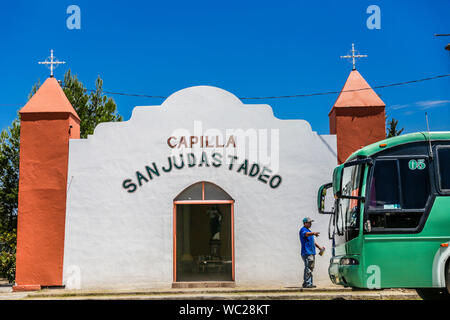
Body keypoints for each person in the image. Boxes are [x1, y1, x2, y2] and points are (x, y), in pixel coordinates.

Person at [299, 217, 324, 288]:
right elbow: (306, 234)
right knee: (308, 268)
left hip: (311, 252)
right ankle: (307, 283)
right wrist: (313, 233)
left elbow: (312, 242)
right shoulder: (303, 230)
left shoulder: (309, 231)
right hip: (307, 252)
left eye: (311, 222)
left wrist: (319, 247)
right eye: (309, 222)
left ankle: (308, 283)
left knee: (311, 268)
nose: (310, 224)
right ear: (305, 223)